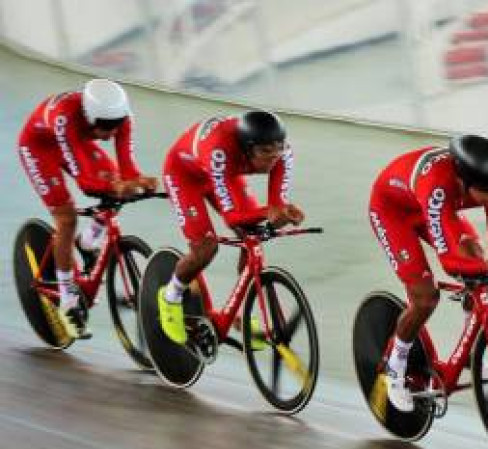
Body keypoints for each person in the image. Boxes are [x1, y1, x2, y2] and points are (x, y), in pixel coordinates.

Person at [368, 134, 488, 412]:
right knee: (425, 298)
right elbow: (449, 261)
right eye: (485, 191)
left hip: (432, 209)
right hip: (393, 213)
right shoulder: (439, 187)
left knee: (474, 252)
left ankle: (471, 346)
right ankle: (394, 367)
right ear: (463, 181)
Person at [16, 78, 158, 338]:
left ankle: (88, 241)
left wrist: (139, 181)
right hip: (39, 148)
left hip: (76, 142)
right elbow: (85, 183)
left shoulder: (122, 119)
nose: (110, 133)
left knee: (116, 184)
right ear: (88, 115)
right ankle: (68, 297)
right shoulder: (65, 117)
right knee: (66, 218)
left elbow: (127, 168)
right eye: (104, 127)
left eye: (116, 126)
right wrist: (117, 187)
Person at [157, 110, 305, 344]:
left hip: (225, 173)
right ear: (247, 148)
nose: (273, 158)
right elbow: (233, 217)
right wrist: (269, 212)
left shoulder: (281, 153)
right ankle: (170, 296)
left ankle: (239, 313)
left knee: (252, 235)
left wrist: (279, 211)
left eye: (277, 150)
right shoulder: (219, 149)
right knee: (206, 247)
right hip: (184, 175)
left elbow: (277, 203)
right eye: (265, 152)